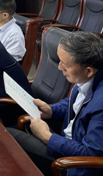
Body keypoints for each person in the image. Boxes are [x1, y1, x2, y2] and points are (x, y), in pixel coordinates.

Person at [8, 32, 102, 176]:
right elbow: (74, 104)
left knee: (8, 138)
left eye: (65, 64)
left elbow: (91, 154)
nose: (59, 67)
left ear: (88, 70)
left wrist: (48, 137)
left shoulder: (101, 105)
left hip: (73, 163)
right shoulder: (88, 77)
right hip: (65, 142)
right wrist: (51, 110)